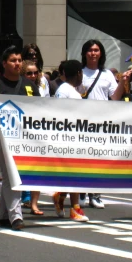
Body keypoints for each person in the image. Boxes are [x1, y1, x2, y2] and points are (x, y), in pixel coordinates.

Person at [78, 39, 131, 209]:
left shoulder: (107, 74)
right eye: (90, 50)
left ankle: (95, 194)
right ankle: (80, 193)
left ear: (101, 53)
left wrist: (123, 82)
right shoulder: (80, 72)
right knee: (82, 159)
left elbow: (115, 97)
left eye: (96, 50)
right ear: (85, 53)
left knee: (98, 159)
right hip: (81, 122)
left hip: (101, 124)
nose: (93, 53)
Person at [0, 46, 38, 230]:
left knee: (11, 175)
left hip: (22, 139)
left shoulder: (29, 85)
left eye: (19, 60)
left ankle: (3, 214)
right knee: (12, 175)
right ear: (4, 63)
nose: (17, 63)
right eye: (13, 60)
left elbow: (40, 109)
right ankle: (16, 217)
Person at [52, 60, 90, 222]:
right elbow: (60, 112)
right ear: (79, 73)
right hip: (67, 136)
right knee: (75, 172)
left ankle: (60, 197)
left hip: (76, 136)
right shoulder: (64, 90)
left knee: (73, 172)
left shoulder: (72, 90)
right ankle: (75, 208)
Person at [21, 60, 45, 215]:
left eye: (35, 72)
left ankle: (34, 203)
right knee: (23, 167)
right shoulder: (19, 86)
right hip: (21, 130)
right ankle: (24, 197)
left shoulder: (42, 86)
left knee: (38, 167)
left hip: (38, 130)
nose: (33, 75)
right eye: (29, 73)